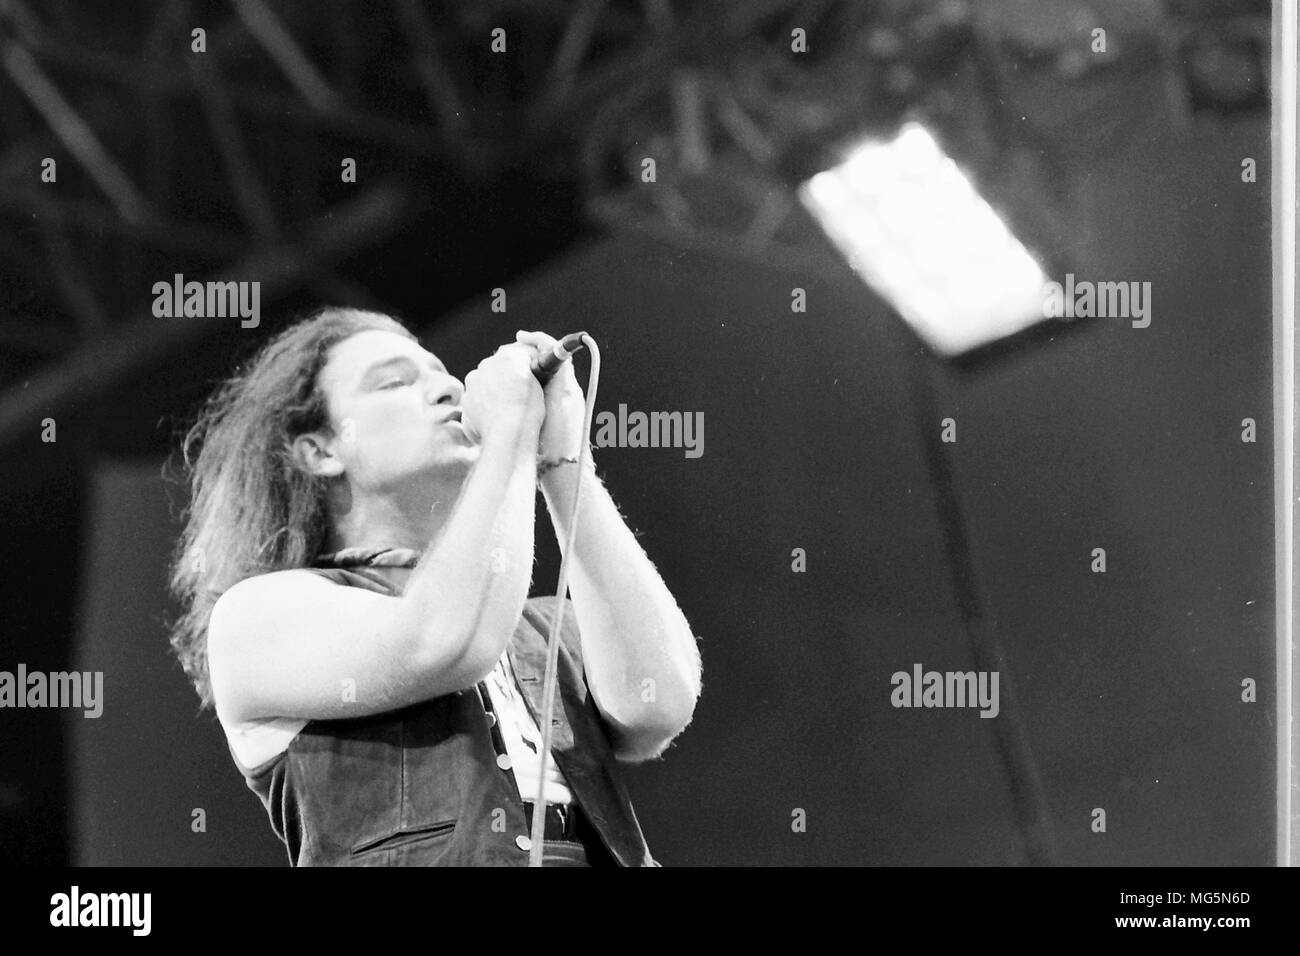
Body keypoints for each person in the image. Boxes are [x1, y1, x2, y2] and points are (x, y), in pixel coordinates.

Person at [167, 306, 702, 866]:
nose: (448, 387)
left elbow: (657, 706)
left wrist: (565, 462)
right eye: (395, 382)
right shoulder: (258, 617)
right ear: (320, 450)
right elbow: (442, 641)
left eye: (442, 371)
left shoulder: (549, 624)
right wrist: (511, 436)